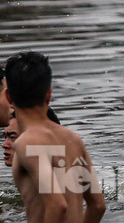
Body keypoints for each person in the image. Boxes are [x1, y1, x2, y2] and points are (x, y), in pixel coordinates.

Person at [4, 51, 106, 222]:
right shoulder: (73, 139)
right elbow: (98, 205)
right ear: (49, 94)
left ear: (8, 97)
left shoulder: (27, 142)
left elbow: (57, 206)